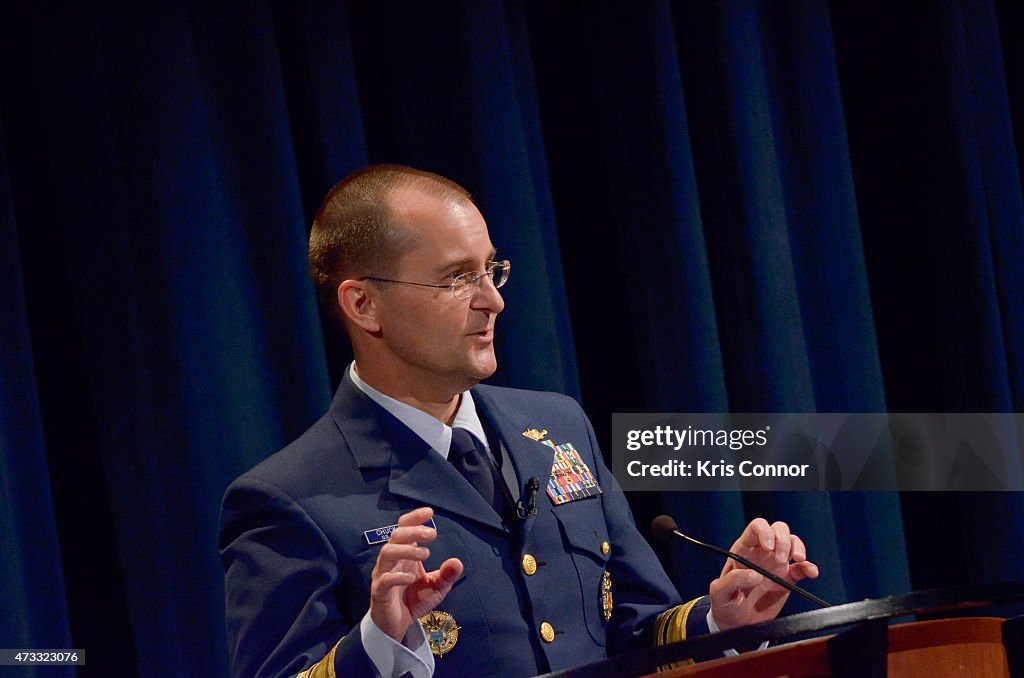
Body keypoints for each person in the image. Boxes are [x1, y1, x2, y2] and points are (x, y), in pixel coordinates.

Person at [219, 165, 819, 678]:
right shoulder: (288, 498)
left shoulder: (558, 426)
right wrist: (379, 641)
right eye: (457, 278)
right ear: (363, 305)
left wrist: (723, 619)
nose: (493, 300)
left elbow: (633, 636)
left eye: (490, 270)